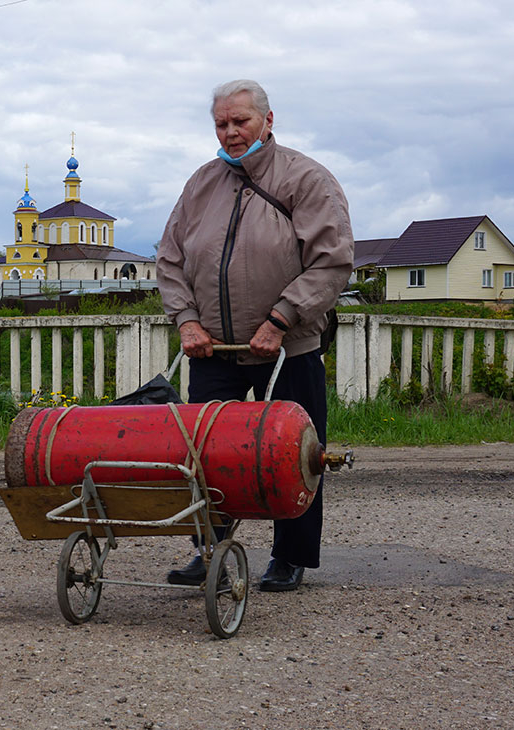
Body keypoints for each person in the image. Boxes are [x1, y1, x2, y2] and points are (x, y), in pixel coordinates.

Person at [155, 79, 354, 592]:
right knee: (204, 456)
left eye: (240, 121)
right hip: (213, 349)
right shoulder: (201, 183)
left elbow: (331, 262)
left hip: (288, 349)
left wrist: (280, 320)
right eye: (221, 124)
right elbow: (170, 259)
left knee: (297, 456)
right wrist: (187, 321)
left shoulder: (307, 179)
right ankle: (210, 550)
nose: (230, 132)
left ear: (268, 120)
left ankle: (290, 556)